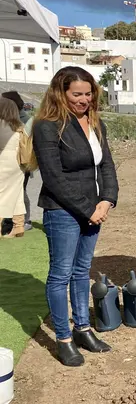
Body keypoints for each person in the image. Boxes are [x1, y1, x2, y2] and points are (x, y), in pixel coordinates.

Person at [33, 66, 119, 366]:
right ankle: (64, 338)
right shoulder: (47, 126)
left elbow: (106, 165)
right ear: (61, 92)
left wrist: (107, 200)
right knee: (61, 275)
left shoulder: (96, 123)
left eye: (88, 93)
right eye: (77, 94)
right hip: (63, 211)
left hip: (94, 211)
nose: (84, 100)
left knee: (82, 272)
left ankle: (83, 328)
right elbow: (54, 178)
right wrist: (88, 210)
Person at [1, 91, 33, 231]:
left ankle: (21, 221)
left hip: (15, 162)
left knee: (15, 192)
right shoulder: (19, 122)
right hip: (20, 163)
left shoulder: (17, 122)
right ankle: (19, 223)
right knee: (18, 192)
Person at [0, 98, 26, 238]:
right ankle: (18, 226)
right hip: (18, 163)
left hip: (3, 161)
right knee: (17, 194)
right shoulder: (19, 126)